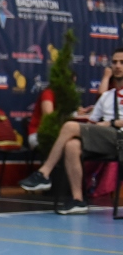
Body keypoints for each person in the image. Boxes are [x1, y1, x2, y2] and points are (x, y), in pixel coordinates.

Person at [20, 47, 123, 215]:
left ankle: (44, 173)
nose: (117, 66)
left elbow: (106, 124)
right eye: (115, 62)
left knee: (69, 126)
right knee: (72, 145)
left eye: (122, 62)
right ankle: (78, 200)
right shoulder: (106, 96)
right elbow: (92, 123)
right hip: (108, 140)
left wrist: (112, 122)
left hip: (120, 136)